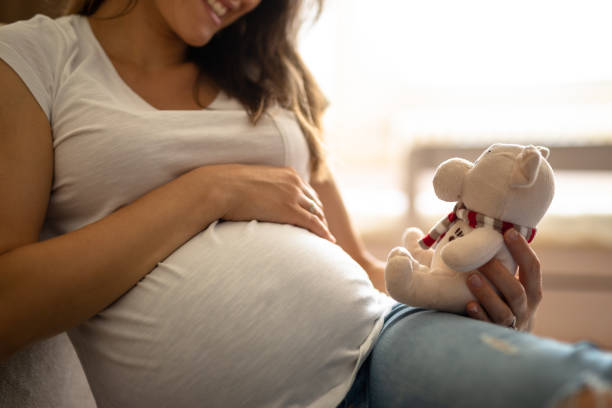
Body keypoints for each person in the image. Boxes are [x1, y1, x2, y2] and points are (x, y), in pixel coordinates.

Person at [0, 0, 610, 406]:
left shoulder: (268, 79)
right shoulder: (40, 58)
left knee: (569, 387)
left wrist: (484, 304)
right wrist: (210, 191)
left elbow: (364, 268)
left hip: (384, 346)